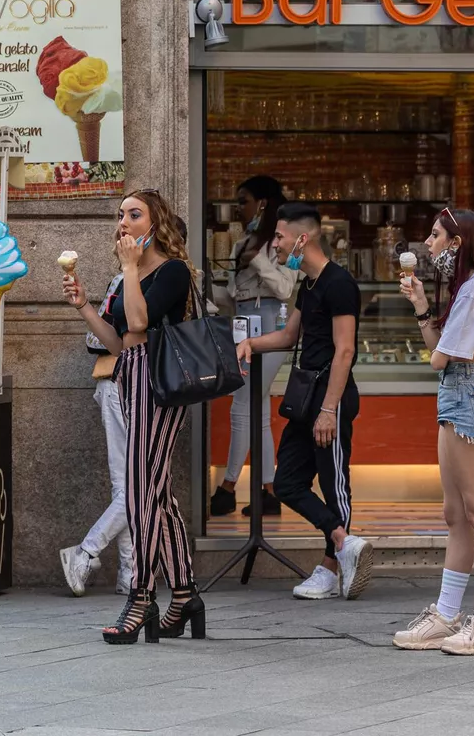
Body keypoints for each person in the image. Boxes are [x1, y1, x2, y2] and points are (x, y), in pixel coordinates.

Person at [62, 189, 199, 644]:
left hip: (160, 382)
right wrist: (84, 304)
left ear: (154, 225)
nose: (123, 221)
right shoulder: (131, 276)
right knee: (158, 494)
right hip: (130, 374)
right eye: (120, 214)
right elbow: (119, 342)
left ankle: (142, 595)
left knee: (141, 491)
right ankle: (184, 595)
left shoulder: (172, 271)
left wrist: (128, 268)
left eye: (133, 214)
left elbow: (139, 323)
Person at [235, 204, 375, 600]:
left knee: (334, 483)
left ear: (302, 239)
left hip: (329, 399)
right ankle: (343, 541)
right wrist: (249, 343)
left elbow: (345, 351)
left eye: (279, 237)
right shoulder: (308, 285)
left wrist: (330, 409)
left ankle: (331, 569)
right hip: (304, 399)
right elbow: (286, 337)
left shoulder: (339, 283)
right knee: (287, 483)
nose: (274, 245)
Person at [394, 207, 474, 656]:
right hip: (459, 393)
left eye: (436, 234)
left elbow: (441, 357)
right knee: (456, 513)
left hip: (467, 393)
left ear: (457, 242)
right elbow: (438, 347)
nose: (428, 242)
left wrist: (439, 347)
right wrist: (422, 306)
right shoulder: (470, 287)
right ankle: (446, 615)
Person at [211, 176, 294, 520]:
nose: (238, 207)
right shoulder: (247, 238)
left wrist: (257, 259)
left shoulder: (276, 240)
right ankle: (268, 491)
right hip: (246, 326)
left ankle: (228, 487)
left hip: (271, 325)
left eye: (243, 201)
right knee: (256, 412)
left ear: (261, 202)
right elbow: (234, 296)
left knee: (242, 405)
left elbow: (286, 288)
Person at [60, 252, 134, 597]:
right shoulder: (128, 280)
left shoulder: (131, 279)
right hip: (124, 388)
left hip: (130, 389)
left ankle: (123, 570)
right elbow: (100, 340)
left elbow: (96, 340)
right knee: (134, 487)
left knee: (133, 486)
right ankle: (109, 563)